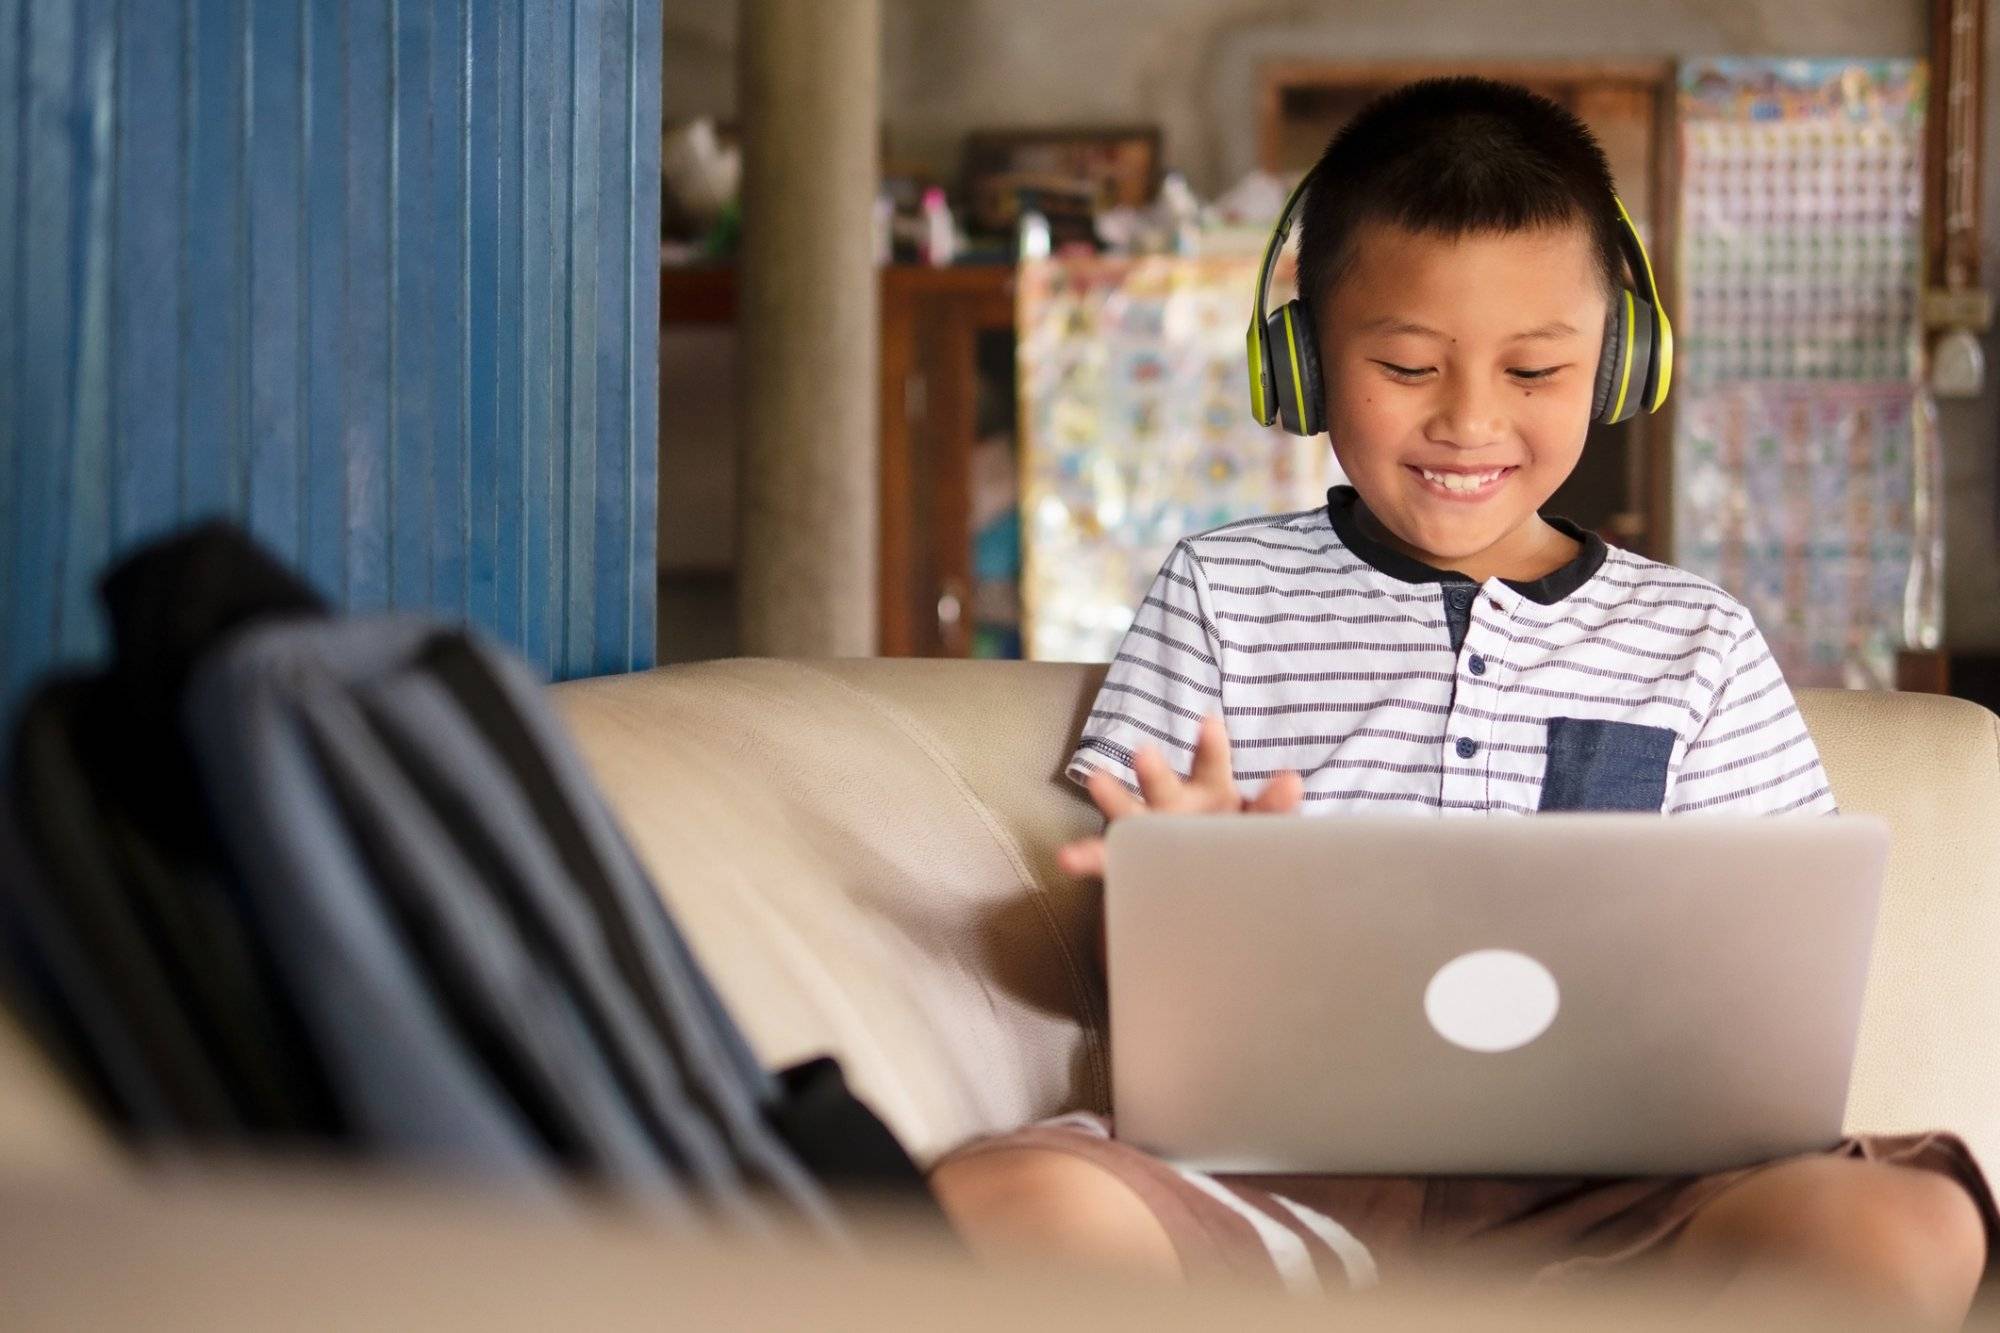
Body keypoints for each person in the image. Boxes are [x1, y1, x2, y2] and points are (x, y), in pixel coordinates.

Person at [925, 78, 1996, 1326]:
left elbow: (1784, 983)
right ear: (1304, 358)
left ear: (1619, 363)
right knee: (1002, 1202)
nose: (1469, 419)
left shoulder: (1692, 637)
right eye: (1404, 363)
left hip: (1632, 1195)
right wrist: (1161, 886)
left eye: (1535, 368)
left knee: (1903, 1221)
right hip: (1266, 1176)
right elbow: (1066, 960)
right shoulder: (1219, 592)